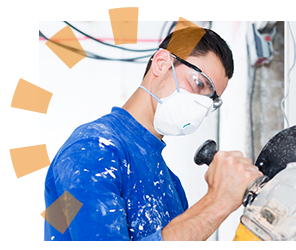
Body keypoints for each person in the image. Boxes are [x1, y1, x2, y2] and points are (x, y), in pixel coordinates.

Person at [44, 26, 263, 241]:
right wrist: (218, 201)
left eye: (211, 100)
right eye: (198, 83)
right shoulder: (91, 149)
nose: (201, 106)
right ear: (161, 64)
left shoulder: (172, 184)